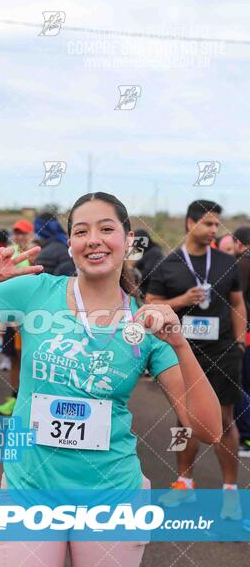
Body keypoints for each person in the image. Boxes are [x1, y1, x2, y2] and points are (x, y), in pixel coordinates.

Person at [0, 192, 221, 567]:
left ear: (128, 241)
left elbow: (208, 431)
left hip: (111, 498)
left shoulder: (147, 323)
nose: (93, 238)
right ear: (71, 243)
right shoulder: (34, 292)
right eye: (81, 231)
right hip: (29, 491)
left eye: (106, 228)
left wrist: (179, 345)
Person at [146, 200, 247, 518]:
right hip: (182, 351)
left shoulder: (225, 261)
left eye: (217, 224)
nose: (214, 230)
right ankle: (184, 483)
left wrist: (239, 344)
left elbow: (237, 304)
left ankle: (230, 493)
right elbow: (151, 305)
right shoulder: (169, 264)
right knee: (183, 420)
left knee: (225, 418)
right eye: (208, 223)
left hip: (222, 350)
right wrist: (182, 300)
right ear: (190, 224)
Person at [0, 219, 34, 415]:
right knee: (14, 359)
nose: (19, 236)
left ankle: (26, 402)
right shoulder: (10, 252)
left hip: (31, 318)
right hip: (12, 317)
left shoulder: (36, 252)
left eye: (23, 233)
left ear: (31, 234)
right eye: (16, 232)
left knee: (28, 361)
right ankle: (14, 399)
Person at [233, 227, 250, 457]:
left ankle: (245, 438)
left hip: (245, 337)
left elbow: (236, 302)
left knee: (241, 387)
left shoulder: (244, 264)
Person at [134, 228, 164, 296]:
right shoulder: (148, 252)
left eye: (135, 243)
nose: (134, 246)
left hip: (150, 295)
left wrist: (133, 273)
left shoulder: (155, 253)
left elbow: (147, 275)